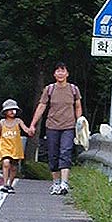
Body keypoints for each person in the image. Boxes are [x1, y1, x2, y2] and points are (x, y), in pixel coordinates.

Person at [28, 61, 82, 195]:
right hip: (52, 126)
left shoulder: (73, 89)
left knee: (65, 152)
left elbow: (78, 106)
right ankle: (56, 183)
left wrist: (79, 124)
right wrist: (33, 124)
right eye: (58, 71)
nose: (60, 73)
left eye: (63, 70)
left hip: (68, 126)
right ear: (54, 74)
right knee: (53, 154)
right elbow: (41, 106)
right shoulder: (49, 89)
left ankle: (64, 183)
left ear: (67, 73)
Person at [0, 98, 31, 193]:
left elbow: (25, 129)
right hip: (5, 147)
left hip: (15, 148)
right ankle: (5, 184)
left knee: (14, 167)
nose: (12, 111)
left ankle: (10, 184)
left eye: (14, 109)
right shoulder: (1, 123)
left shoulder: (18, 121)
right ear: (5, 112)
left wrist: (30, 130)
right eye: (10, 110)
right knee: (6, 163)